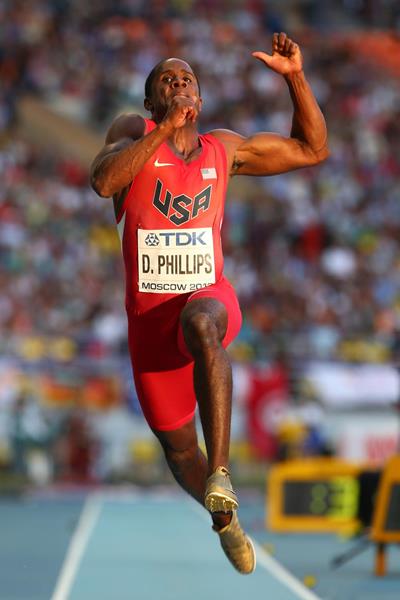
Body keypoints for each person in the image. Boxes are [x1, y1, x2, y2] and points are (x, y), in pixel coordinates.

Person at [90, 32, 328, 574]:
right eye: (167, 82)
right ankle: (225, 519)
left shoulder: (225, 149)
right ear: (152, 102)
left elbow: (313, 149)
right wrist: (164, 130)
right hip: (149, 322)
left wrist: (294, 77)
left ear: (201, 95)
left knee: (203, 322)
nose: (179, 85)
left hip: (207, 296)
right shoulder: (133, 132)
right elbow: (104, 182)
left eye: (187, 79)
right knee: (178, 454)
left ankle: (222, 472)